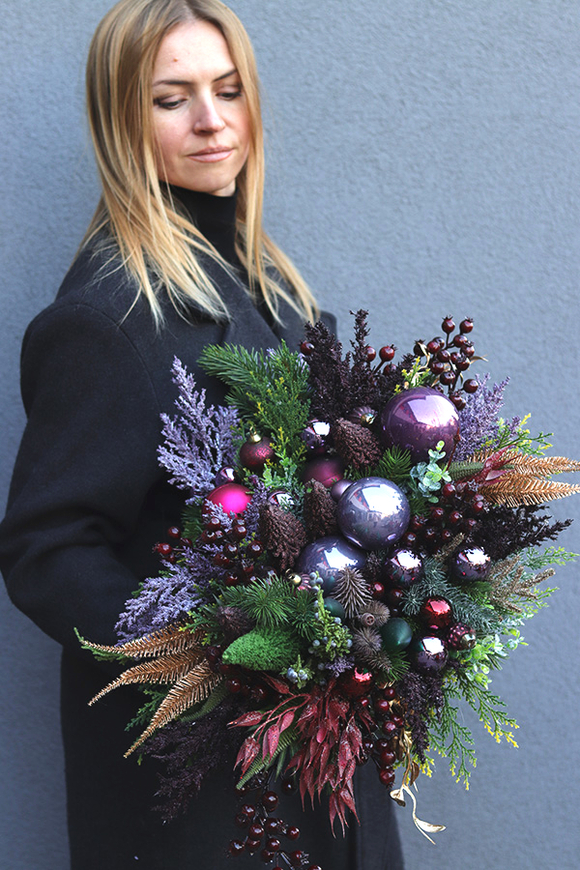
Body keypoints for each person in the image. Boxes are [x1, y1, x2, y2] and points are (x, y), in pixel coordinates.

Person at [0, 1, 404, 867]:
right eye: (171, 98)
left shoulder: (279, 296)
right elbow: (48, 549)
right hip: (205, 796)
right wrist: (216, 657)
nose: (212, 120)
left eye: (227, 89)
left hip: (321, 759)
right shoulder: (111, 317)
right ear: (122, 122)